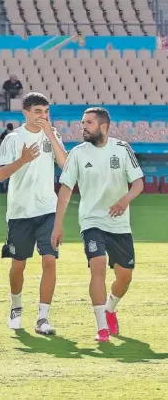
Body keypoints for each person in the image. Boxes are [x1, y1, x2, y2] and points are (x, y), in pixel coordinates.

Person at [51, 107, 144, 342]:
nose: (83, 127)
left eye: (89, 123)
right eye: (83, 123)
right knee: (98, 264)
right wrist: (57, 224)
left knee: (125, 277)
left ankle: (110, 309)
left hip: (119, 225)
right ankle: (102, 327)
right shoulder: (78, 154)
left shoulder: (122, 149)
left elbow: (138, 183)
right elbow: (65, 189)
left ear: (103, 126)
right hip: (92, 221)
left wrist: (125, 200)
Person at [0, 92, 67, 335]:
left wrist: (50, 135)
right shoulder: (13, 139)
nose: (43, 117)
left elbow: (65, 165)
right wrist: (23, 160)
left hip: (47, 209)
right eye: (38, 112)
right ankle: (16, 308)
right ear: (25, 112)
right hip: (20, 212)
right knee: (18, 265)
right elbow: (0, 175)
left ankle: (43, 318)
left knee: (50, 260)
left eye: (46, 112)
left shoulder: (52, 134)